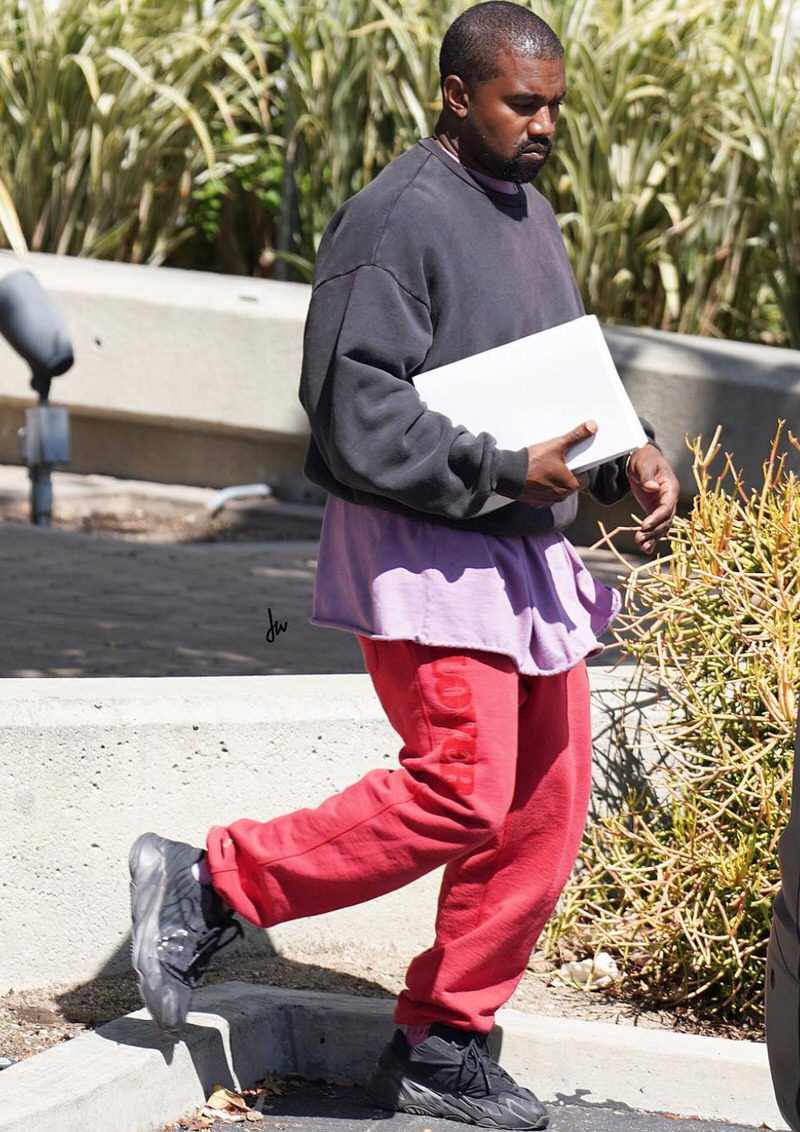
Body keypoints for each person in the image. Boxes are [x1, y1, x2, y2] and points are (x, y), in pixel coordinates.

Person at [129, 4, 680, 1129]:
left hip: (516, 538)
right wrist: (492, 463)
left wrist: (627, 456)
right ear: (454, 95)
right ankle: (213, 881)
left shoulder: (525, 209)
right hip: (427, 543)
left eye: (553, 107)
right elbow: (348, 409)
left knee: (543, 801)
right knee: (460, 786)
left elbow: (556, 365)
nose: (541, 126)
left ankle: (445, 1039)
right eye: (520, 103)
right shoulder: (392, 218)